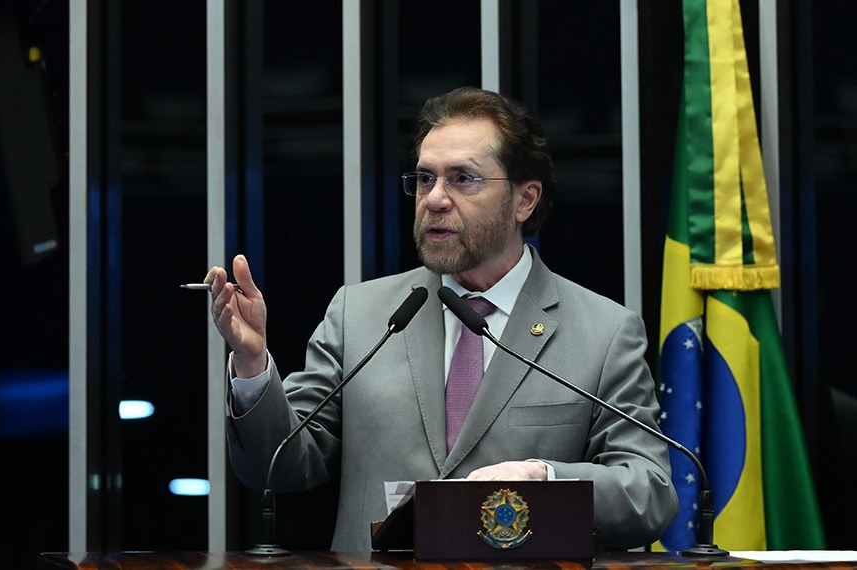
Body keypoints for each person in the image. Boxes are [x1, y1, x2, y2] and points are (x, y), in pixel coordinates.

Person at [206, 87, 678, 551]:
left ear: (525, 200)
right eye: (425, 178)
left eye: (463, 179)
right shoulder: (363, 314)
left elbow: (649, 492)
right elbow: (279, 464)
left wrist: (546, 478)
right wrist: (251, 366)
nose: (434, 198)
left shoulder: (602, 332)